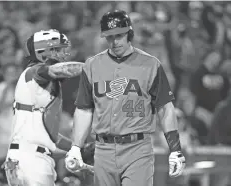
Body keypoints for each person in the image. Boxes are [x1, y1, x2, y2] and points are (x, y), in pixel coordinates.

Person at [65, 10, 186, 186]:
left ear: (130, 33)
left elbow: (165, 108)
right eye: (109, 37)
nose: (114, 42)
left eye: (119, 35)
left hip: (137, 148)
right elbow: (84, 109)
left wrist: (175, 149)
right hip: (103, 149)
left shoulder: (150, 64)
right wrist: (76, 146)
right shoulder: (92, 65)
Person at [2, 29, 84, 186]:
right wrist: (94, 68)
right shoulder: (34, 71)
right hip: (32, 160)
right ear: (43, 52)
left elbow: (51, 135)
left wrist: (78, 147)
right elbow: (56, 70)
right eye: (58, 50)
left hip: (25, 157)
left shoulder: (40, 91)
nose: (64, 55)